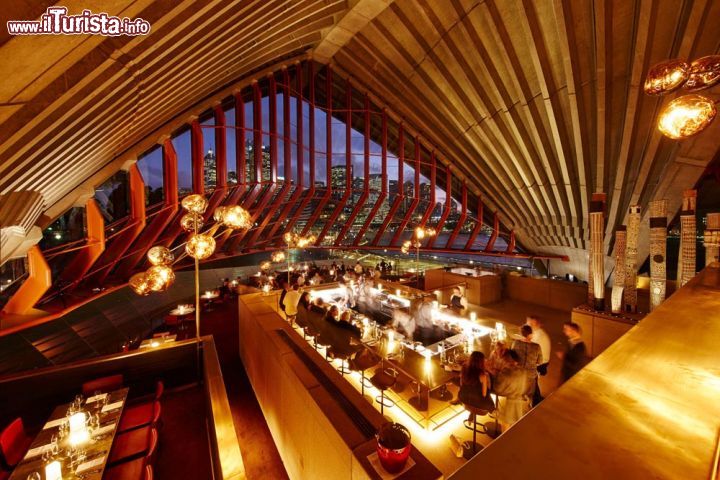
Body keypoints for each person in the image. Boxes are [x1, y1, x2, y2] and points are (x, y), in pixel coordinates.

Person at [492, 350, 530, 432]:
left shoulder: (506, 372)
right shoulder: (523, 371)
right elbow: (526, 387)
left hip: (509, 404)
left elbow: (498, 388)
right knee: (516, 427)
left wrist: (496, 375)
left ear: (507, 360)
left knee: (505, 429)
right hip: (521, 403)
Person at [458, 351, 495, 421]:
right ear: (481, 362)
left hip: (464, 399)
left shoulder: (464, 369)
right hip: (478, 404)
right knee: (489, 400)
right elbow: (484, 394)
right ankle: (495, 413)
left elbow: (461, 384)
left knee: (472, 392)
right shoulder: (482, 375)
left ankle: (472, 413)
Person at [511, 325, 543, 398]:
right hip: (531, 375)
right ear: (530, 334)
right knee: (530, 395)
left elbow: (512, 357)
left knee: (519, 394)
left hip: (518, 374)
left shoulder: (515, 343)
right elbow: (540, 361)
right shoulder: (536, 346)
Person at [526, 316, 550, 405]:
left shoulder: (540, 336)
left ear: (534, 324)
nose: (526, 324)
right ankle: (535, 396)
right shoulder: (537, 333)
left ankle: (535, 399)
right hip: (539, 360)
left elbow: (533, 352)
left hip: (541, 363)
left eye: (528, 323)